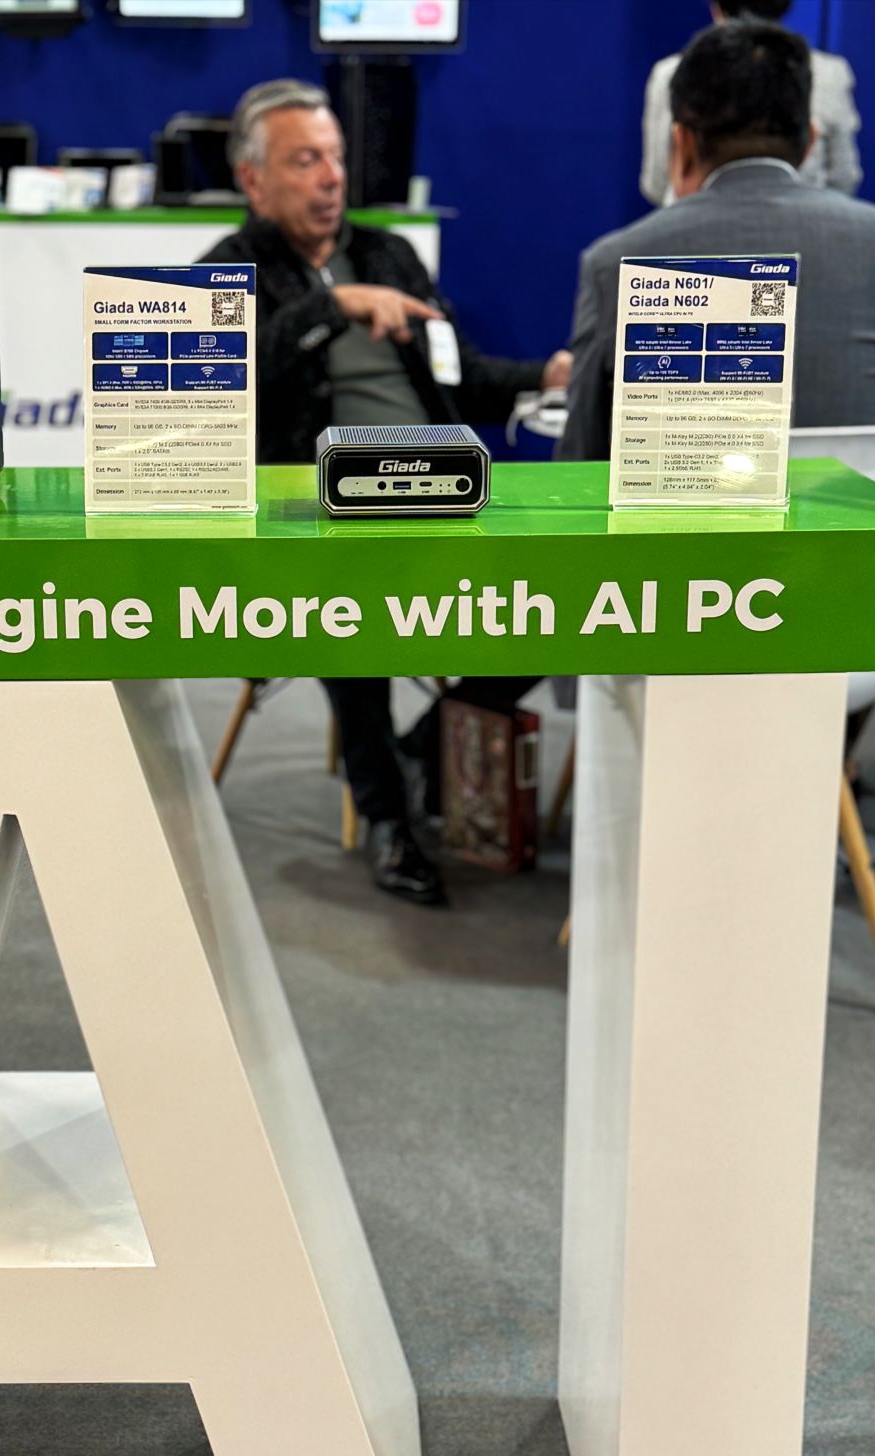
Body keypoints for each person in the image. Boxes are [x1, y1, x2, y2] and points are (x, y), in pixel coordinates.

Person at [202, 79, 568, 905]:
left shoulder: (389, 253)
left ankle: (422, 749)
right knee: (343, 597)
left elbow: (460, 375)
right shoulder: (226, 273)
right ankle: (389, 818)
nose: (332, 177)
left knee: (557, 600)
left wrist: (541, 376)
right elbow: (231, 378)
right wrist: (331, 306)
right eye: (305, 160)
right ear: (253, 179)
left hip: (436, 492)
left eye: (335, 157)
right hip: (315, 518)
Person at [560, 18, 875, 465]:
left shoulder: (615, 263)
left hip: (678, 511)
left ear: (682, 142)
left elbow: (578, 465)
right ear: (809, 142)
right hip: (870, 512)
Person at [640, 0, 861, 205]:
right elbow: (842, 178)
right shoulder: (829, 74)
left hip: (688, 227)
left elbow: (657, 182)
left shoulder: (669, 74)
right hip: (807, 226)